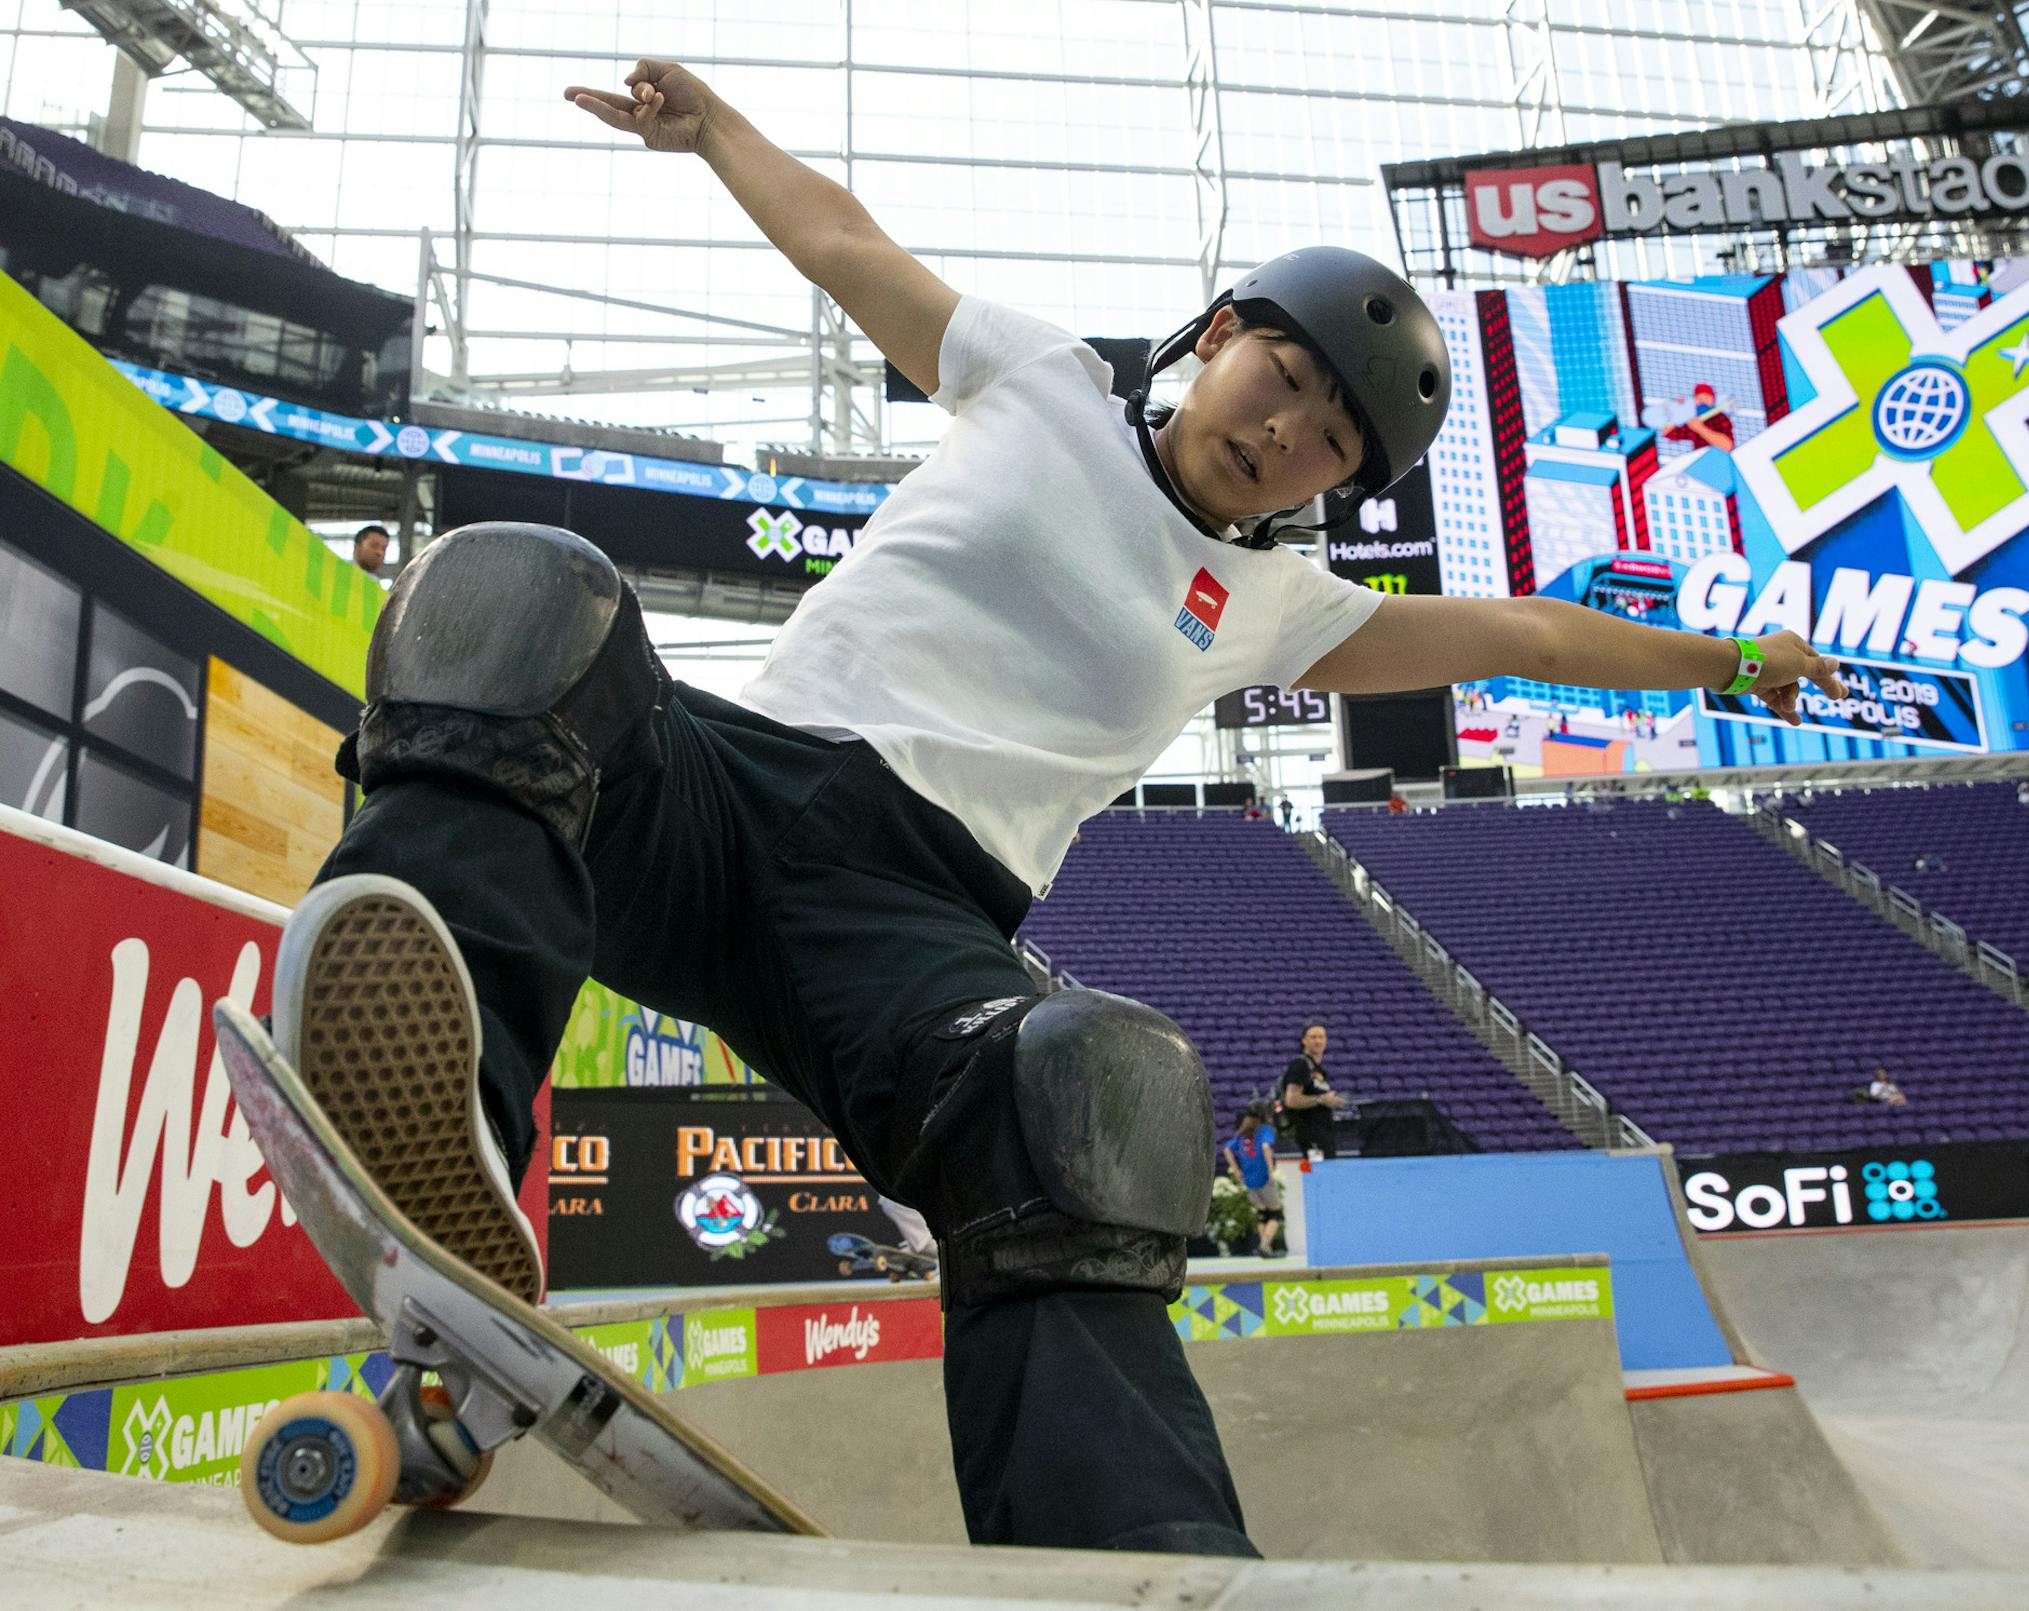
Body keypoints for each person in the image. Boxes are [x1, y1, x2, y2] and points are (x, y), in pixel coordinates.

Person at [270, 55, 1846, 1559]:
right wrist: (715, 132)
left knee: (1091, 1087)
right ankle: (447, 1145)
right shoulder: (1041, 378)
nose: (1285, 428)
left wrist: (1732, 662)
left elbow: (1536, 635)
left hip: (907, 927)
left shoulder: (1276, 601)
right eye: (1280, 375)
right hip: (713, 790)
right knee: (517, 591)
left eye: (1329, 437)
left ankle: (1136, 1556)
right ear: (1218, 332)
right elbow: (843, 244)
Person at [1222, 1107, 1285, 1257]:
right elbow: (1265, 1147)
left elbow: (1227, 1150)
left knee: (1262, 1213)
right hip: (1263, 1176)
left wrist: (1236, 1170)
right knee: (1276, 1214)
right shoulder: (1264, 1130)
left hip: (1249, 1179)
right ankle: (1264, 1244)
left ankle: (1264, 1248)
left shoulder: (1242, 1134)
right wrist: (1270, 1170)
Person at [1279, 1022, 1347, 1159]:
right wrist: (1321, 1100)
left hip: (1323, 1132)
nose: (1318, 1041)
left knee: (1327, 1172)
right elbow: (1291, 1100)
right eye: (1313, 1037)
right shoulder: (1300, 1065)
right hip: (1310, 1135)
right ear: (1304, 1040)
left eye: (1321, 1037)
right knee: (1316, 1173)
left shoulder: (1318, 1069)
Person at [1662, 382, 1735, 452]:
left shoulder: (1720, 418)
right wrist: (1676, 409)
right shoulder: (1694, 420)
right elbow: (1668, 433)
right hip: (1701, 462)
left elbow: (1727, 446)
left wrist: (1700, 428)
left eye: (1706, 398)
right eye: (1699, 398)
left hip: (1719, 461)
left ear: (1713, 400)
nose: (1702, 401)